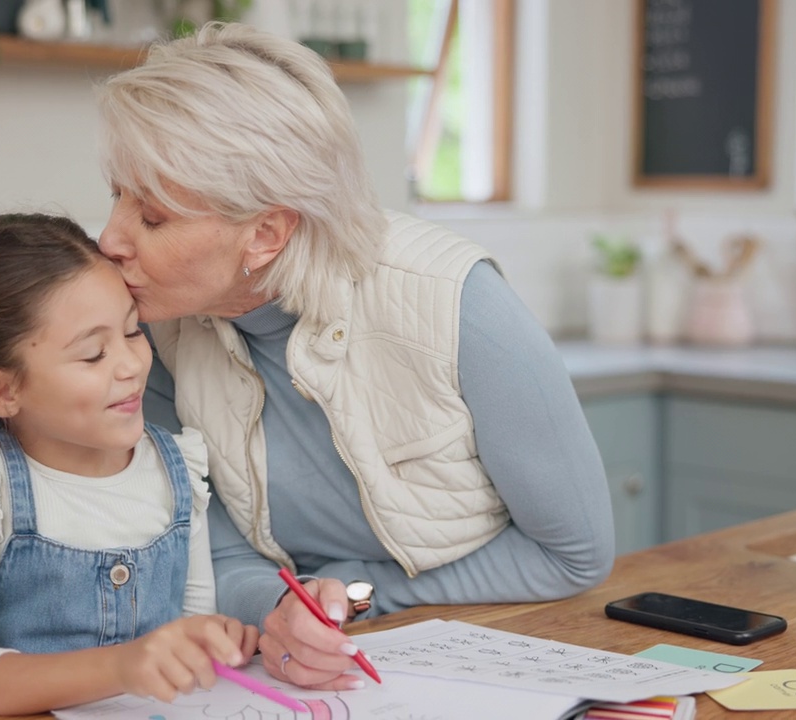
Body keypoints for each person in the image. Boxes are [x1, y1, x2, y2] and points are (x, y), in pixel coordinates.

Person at [95, 22, 616, 692]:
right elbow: (207, 548)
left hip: (498, 652)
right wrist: (283, 609)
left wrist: (353, 597)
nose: (110, 238)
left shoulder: (460, 306)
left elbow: (573, 556)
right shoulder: (154, 329)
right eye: (116, 195)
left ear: (266, 234)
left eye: (154, 218)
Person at [0, 214, 258, 720]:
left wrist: (220, 641)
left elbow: (194, 632)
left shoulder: (176, 465)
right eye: (93, 354)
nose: (130, 364)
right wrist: (123, 666)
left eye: (132, 331)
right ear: (1, 390)